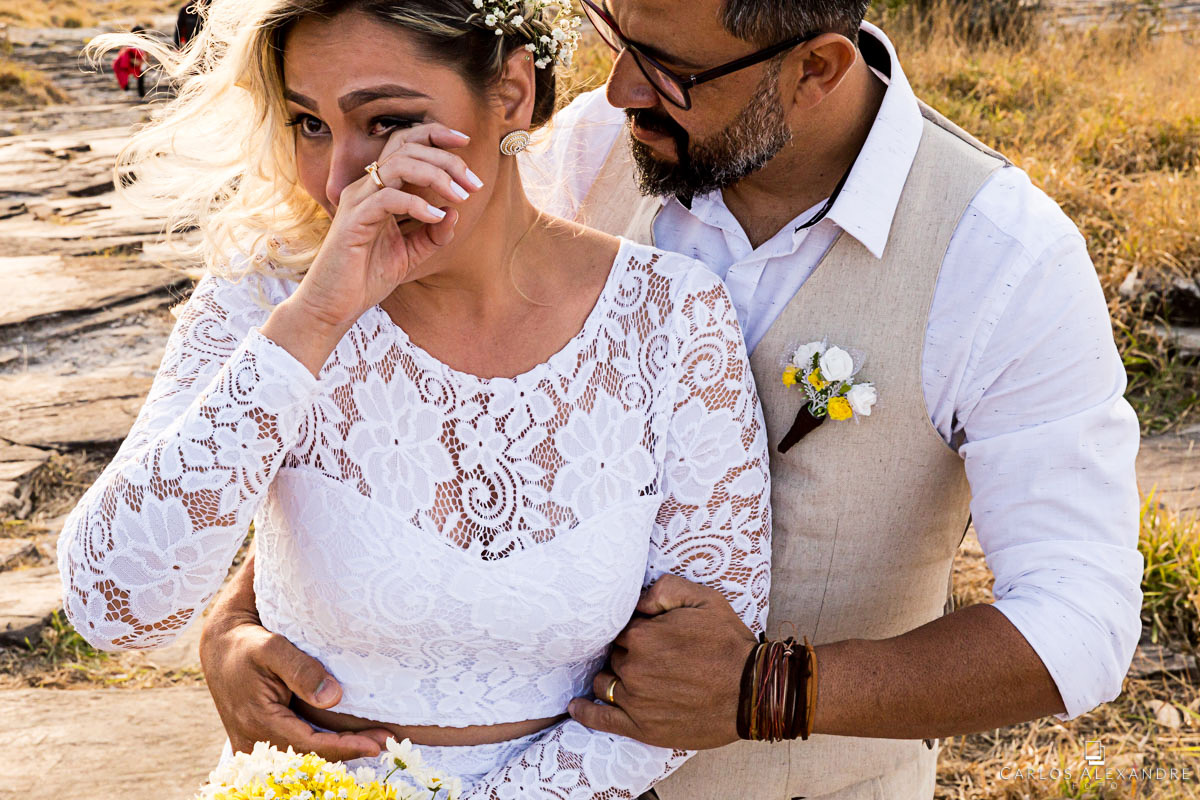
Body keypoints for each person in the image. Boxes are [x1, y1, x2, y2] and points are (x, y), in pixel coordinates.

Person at [198, 1, 1145, 799]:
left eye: (669, 68)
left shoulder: (1001, 256)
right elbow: (399, 418)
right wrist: (242, 614)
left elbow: (1080, 620)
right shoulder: (576, 157)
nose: (619, 92)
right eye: (617, 36)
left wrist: (773, 691)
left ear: (817, 67)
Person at [55, 0, 772, 796]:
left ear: (511, 93)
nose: (337, 180)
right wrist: (314, 322)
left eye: (387, 121)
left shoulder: (672, 317)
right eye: (310, 124)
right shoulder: (264, 301)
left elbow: (695, 666)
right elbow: (113, 607)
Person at [112, 25, 147, 97]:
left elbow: (146, 56)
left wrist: (142, 61)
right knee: (125, 76)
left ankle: (141, 93)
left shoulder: (145, 44)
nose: (139, 37)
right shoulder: (130, 46)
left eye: (141, 35)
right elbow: (125, 57)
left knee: (141, 78)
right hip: (130, 64)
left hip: (138, 64)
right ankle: (129, 90)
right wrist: (135, 61)